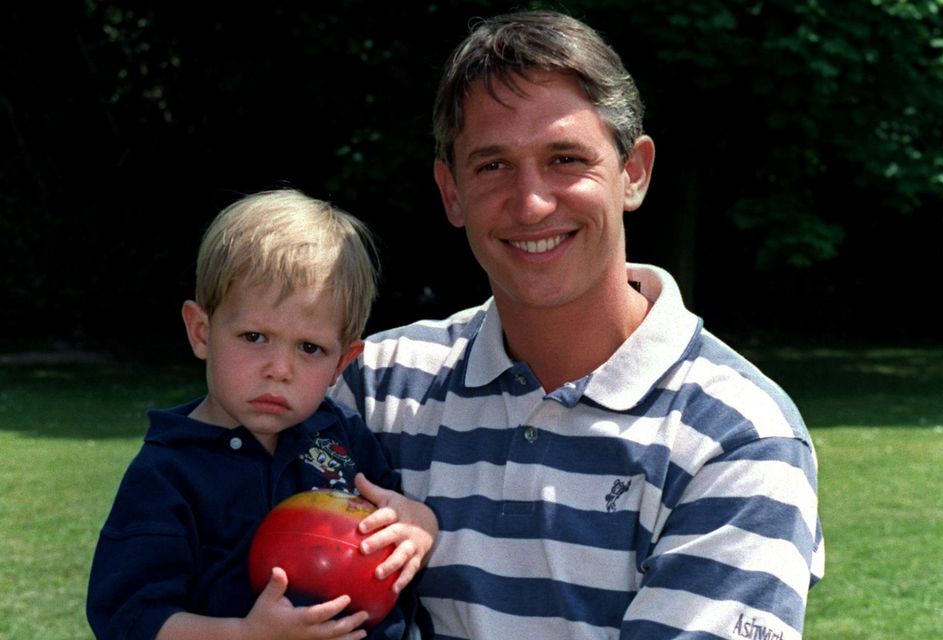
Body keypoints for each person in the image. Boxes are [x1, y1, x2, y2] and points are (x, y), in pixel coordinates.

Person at [330, 9, 824, 640]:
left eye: (565, 158)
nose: (532, 202)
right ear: (450, 191)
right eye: (492, 165)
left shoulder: (738, 438)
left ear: (634, 172)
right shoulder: (375, 387)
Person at [87, 189, 437, 640]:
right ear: (201, 332)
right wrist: (245, 634)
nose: (280, 369)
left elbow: (395, 515)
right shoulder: (168, 471)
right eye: (254, 337)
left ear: (342, 363)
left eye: (310, 348)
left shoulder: (342, 436)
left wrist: (420, 525)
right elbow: (129, 618)